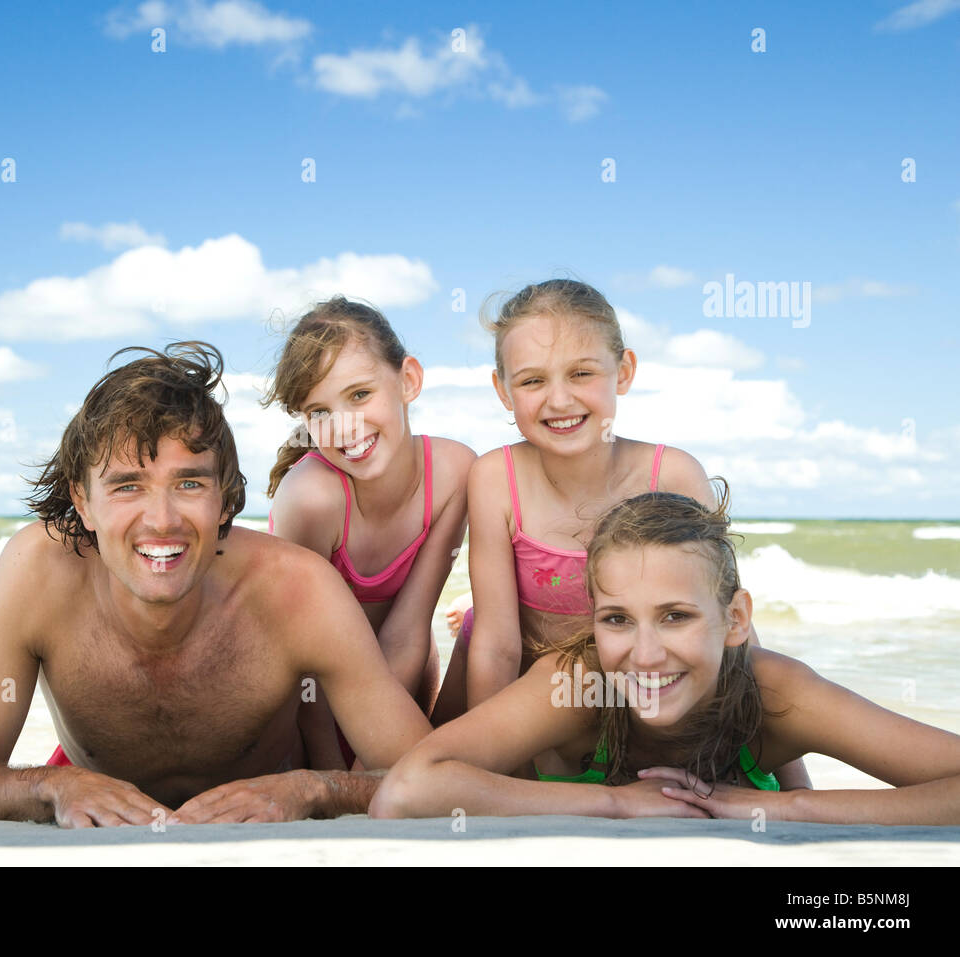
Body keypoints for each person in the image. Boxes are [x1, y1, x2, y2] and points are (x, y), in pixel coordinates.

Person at [0, 342, 431, 827]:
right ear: (83, 501)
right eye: (127, 486)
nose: (161, 521)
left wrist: (310, 790)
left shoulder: (298, 589)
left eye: (189, 483)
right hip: (90, 801)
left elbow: (424, 778)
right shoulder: (36, 572)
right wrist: (54, 787)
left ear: (226, 499)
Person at [372, 488, 960, 824]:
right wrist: (615, 802)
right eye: (618, 620)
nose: (645, 656)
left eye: (676, 616)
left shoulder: (773, 693)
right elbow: (407, 789)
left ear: (735, 620)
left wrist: (786, 808)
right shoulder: (578, 686)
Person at [436, 281, 807, 788]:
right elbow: (499, 645)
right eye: (531, 381)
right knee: (449, 761)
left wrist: (792, 780)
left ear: (624, 371)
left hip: (646, 688)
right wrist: (504, 777)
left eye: (582, 373)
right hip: (552, 709)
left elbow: (726, 624)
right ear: (503, 390)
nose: (559, 399)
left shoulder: (671, 474)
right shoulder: (495, 478)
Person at [263, 297, 475, 767]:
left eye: (360, 395)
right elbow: (300, 656)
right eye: (318, 412)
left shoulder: (455, 472)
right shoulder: (313, 499)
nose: (345, 427)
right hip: (305, 710)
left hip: (397, 692)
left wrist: (371, 766)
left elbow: (408, 629)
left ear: (408, 380)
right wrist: (332, 774)